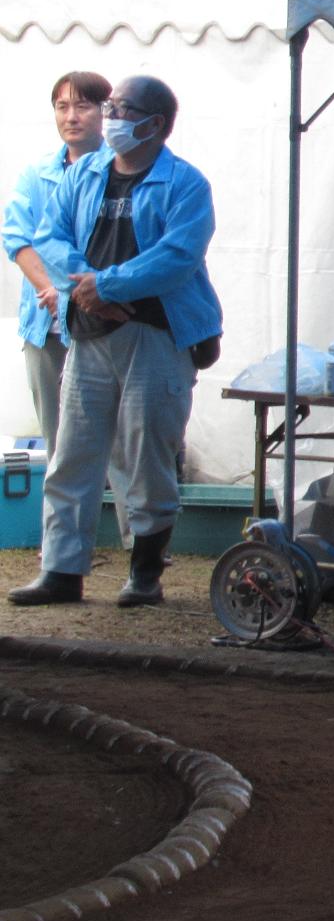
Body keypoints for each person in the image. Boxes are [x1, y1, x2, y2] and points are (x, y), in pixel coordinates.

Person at [8, 77, 223, 607]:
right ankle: (61, 570)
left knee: (146, 453)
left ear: (155, 123)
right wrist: (88, 286)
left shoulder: (184, 184)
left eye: (122, 109)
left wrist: (107, 286)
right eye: (111, 107)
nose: (110, 117)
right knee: (72, 455)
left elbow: (178, 255)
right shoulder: (85, 173)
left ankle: (145, 573)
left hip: (155, 333)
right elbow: (46, 236)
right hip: (89, 333)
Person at [5, 73, 116, 530]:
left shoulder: (120, 170)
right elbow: (18, 237)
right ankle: (61, 538)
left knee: (117, 434)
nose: (72, 116)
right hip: (45, 322)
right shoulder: (38, 174)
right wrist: (47, 291)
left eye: (83, 106)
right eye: (62, 106)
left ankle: (125, 537)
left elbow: (111, 245)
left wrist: (71, 290)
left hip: (102, 320)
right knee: (57, 436)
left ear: (105, 113)